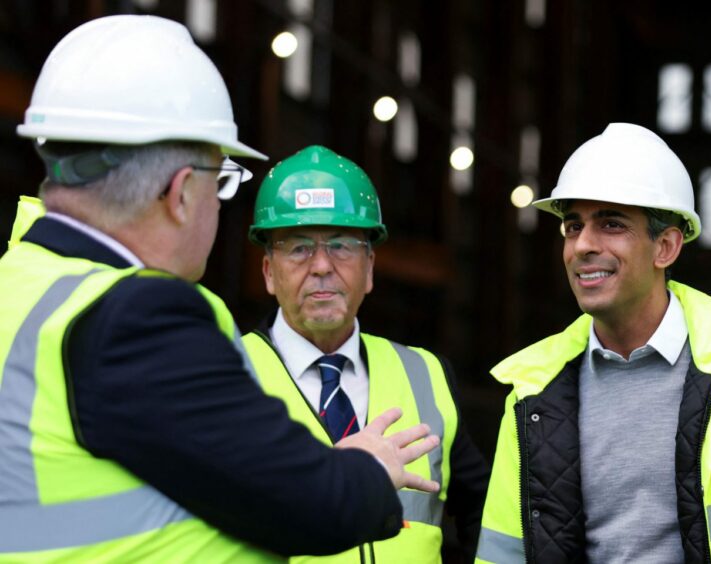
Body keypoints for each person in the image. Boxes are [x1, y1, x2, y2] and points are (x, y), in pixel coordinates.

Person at [0, 15, 441, 562]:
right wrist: (367, 470)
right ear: (182, 193)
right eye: (221, 184)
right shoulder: (135, 317)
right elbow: (313, 505)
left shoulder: (17, 286)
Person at [476, 123, 711, 563]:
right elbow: (503, 554)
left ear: (666, 248)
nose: (582, 246)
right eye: (573, 227)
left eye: (611, 224)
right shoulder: (532, 390)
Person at [243, 145, 490, 563]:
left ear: (370, 267)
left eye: (341, 245)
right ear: (269, 272)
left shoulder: (425, 374)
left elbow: (487, 518)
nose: (321, 265)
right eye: (299, 247)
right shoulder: (226, 371)